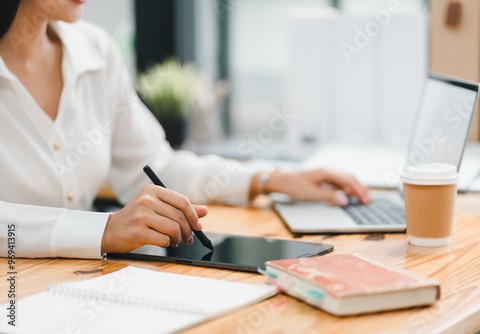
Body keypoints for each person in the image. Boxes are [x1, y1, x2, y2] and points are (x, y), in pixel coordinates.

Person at [0, 0, 371, 259]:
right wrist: (104, 231)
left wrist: (269, 179)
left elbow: (156, 168)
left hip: (78, 283)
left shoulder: (95, 52)